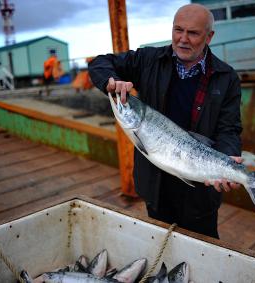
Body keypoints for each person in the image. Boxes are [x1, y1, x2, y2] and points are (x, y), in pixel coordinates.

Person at [88, 4, 243, 238]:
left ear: (209, 37)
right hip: (155, 186)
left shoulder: (227, 77)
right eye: (178, 30)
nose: (182, 39)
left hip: (201, 190)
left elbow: (229, 128)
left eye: (193, 33)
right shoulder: (148, 59)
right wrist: (111, 81)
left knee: (203, 249)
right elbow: (100, 63)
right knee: (162, 245)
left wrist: (227, 156)